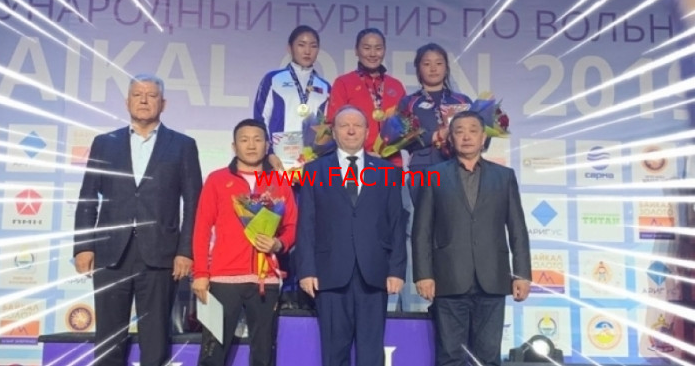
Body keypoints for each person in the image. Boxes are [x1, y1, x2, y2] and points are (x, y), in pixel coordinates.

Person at [73, 74, 203, 366]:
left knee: (155, 341)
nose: (144, 100)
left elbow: (194, 202)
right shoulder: (104, 143)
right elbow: (88, 196)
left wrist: (186, 251)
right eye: (137, 95)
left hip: (161, 254)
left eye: (151, 95)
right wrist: (83, 246)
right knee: (108, 341)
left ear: (163, 103)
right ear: (127, 101)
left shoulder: (182, 145)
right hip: (111, 253)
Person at [411, 110, 532, 366]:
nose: (466, 137)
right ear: (450, 138)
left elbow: (518, 229)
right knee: (450, 357)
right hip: (449, 278)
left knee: (488, 357)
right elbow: (422, 230)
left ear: (483, 137)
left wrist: (522, 274)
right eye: (459, 131)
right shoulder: (433, 175)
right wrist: (423, 274)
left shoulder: (504, 176)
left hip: (493, 279)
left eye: (473, 131)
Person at [296, 105, 406, 366]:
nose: (351, 130)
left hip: (374, 273)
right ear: (334, 132)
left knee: (371, 354)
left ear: (367, 131)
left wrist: (396, 270)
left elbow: (396, 224)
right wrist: (307, 270)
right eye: (344, 125)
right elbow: (306, 224)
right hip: (330, 273)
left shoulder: (388, 172)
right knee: (334, 352)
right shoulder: (314, 171)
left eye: (357, 125)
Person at [192, 118, 297, 366]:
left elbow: (292, 226)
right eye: (244, 140)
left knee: (263, 352)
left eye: (258, 140)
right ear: (234, 146)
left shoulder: (279, 182)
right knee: (212, 351)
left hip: (265, 280)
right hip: (222, 280)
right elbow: (202, 229)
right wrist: (201, 273)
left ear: (267, 145)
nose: (251, 145)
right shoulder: (217, 180)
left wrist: (278, 244)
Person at [398, 43, 472, 203]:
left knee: (458, 216)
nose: (433, 68)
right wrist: (436, 136)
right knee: (426, 216)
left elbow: (478, 135)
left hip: (458, 166)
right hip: (423, 167)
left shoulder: (462, 100)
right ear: (418, 68)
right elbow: (402, 139)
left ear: (446, 67)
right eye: (427, 64)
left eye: (438, 63)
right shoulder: (409, 102)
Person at [253, 24, 331, 171]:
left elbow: (327, 127)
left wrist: (318, 156)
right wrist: (269, 153)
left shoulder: (325, 87)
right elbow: (260, 119)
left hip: (311, 163)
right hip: (277, 161)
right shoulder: (273, 79)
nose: (307, 51)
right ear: (289, 48)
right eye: (301, 45)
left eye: (313, 46)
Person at [326, 28, 407, 167]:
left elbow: (406, 125)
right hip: (355, 162)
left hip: (392, 163)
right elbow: (333, 124)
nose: (373, 54)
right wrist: (363, 154)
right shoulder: (344, 83)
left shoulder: (396, 85)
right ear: (356, 51)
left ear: (384, 50)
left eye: (378, 48)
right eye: (367, 48)